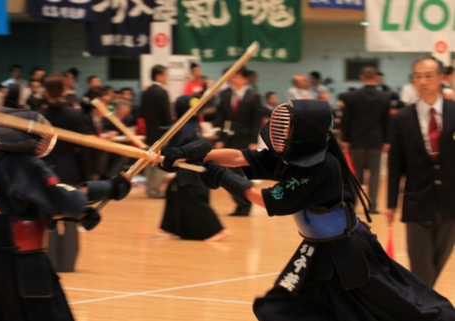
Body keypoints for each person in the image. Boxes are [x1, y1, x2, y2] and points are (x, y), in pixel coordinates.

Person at [163, 99, 455, 320]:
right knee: (279, 308)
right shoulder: (294, 154)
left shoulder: (322, 165)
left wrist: (225, 179)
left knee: (400, 308)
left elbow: (271, 199)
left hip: (348, 253)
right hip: (317, 249)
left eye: (289, 125)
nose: (282, 130)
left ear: (305, 130)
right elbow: (242, 156)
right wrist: (193, 153)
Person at [0, 108, 131, 321]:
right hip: (23, 263)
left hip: (0, 261)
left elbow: (22, 205)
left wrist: (76, 213)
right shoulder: (26, 165)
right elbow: (63, 199)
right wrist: (109, 187)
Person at [387, 56, 455, 288]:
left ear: (440, 79)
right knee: (421, 268)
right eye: (418, 76)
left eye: (428, 76)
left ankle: (423, 307)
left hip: (450, 201)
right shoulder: (402, 118)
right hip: (417, 200)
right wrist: (390, 203)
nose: (423, 81)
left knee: (438, 263)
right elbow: (395, 164)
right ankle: (424, 310)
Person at [159, 95, 229, 241]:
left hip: (191, 170)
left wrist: (163, 152)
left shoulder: (186, 127)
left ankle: (218, 230)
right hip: (191, 168)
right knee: (174, 193)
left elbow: (178, 148)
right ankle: (174, 228)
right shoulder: (189, 124)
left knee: (195, 200)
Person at [42, 73, 91, 272]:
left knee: (50, 218)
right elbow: (84, 147)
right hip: (70, 170)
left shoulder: (39, 116)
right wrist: (88, 174)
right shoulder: (75, 114)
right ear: (65, 90)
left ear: (45, 92)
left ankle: (51, 262)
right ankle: (68, 264)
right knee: (71, 218)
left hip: (45, 171)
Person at [340, 66, 391, 214]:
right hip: (376, 141)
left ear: (361, 77)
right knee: (375, 174)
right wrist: (387, 140)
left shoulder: (351, 96)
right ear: (377, 78)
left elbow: (346, 119)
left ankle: (353, 205)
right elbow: (387, 121)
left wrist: (345, 138)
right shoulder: (385, 97)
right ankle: (373, 206)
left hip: (356, 141)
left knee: (354, 175)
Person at [214, 66, 261, 216]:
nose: (233, 78)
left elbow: (256, 120)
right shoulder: (225, 94)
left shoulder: (253, 95)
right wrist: (220, 138)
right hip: (228, 137)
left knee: (241, 172)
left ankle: (245, 205)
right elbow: (221, 118)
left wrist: (253, 141)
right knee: (229, 171)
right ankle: (240, 203)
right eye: (231, 76)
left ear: (245, 78)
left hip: (245, 138)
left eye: (237, 76)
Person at [140, 65, 172, 198]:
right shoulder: (162, 92)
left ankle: (150, 189)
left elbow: (142, 112)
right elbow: (166, 115)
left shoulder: (146, 92)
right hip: (161, 132)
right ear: (158, 76)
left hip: (150, 131)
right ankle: (155, 189)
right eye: (165, 75)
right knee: (161, 160)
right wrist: (170, 129)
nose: (167, 78)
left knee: (150, 160)